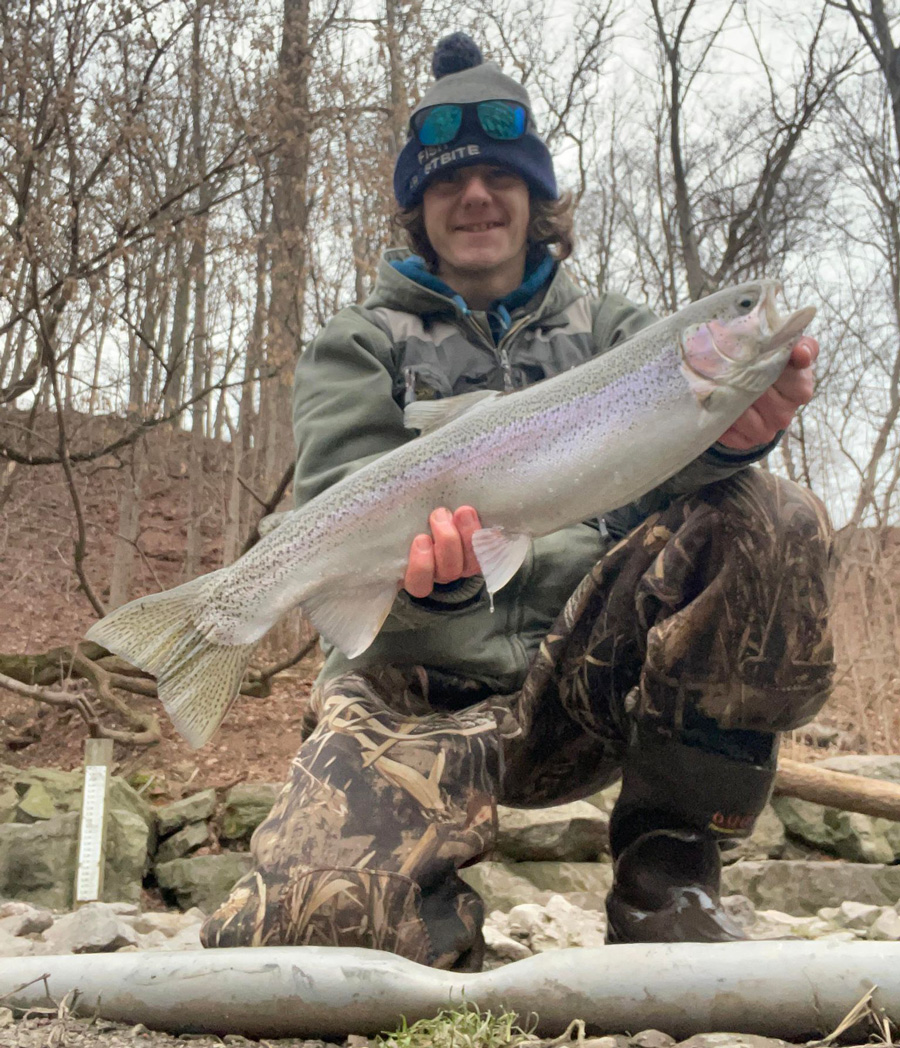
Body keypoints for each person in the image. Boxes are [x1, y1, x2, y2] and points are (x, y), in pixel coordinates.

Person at [201, 33, 833, 967]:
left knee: (773, 515)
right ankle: (432, 912)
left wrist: (731, 442)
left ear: (538, 196)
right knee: (314, 949)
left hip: (584, 686)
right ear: (419, 206)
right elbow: (339, 511)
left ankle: (673, 883)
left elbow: (663, 504)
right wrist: (431, 589)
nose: (477, 196)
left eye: (501, 174)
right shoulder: (358, 342)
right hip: (415, 697)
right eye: (449, 182)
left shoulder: (624, 336)